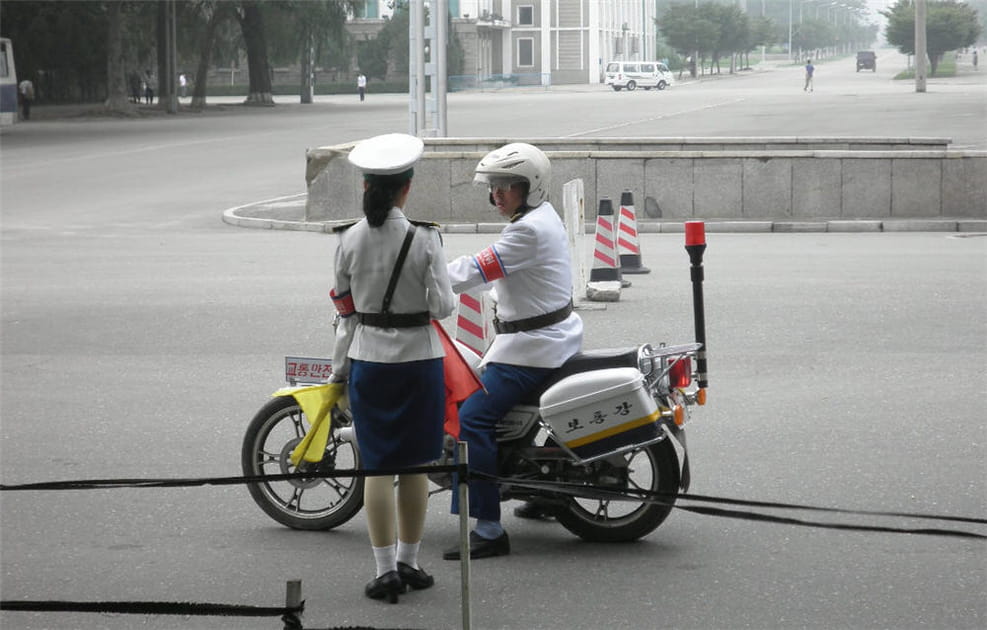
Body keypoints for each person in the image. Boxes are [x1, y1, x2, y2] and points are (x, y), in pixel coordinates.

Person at [329, 133, 456, 603]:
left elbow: (345, 316)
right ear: (407, 188)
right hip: (420, 363)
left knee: (378, 468)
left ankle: (385, 572)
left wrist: (337, 373)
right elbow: (442, 307)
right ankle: (411, 561)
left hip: (369, 361)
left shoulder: (347, 241)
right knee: (417, 464)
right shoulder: (425, 238)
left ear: (366, 187)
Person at [442, 143, 583, 560]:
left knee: (473, 417)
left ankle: (488, 529)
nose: (498, 194)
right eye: (494, 186)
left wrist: (420, 279)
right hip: (549, 337)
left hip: (532, 349)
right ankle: (544, 494)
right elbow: (501, 276)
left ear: (530, 187)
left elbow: (475, 269)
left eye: (507, 186)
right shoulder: (540, 217)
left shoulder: (526, 230)